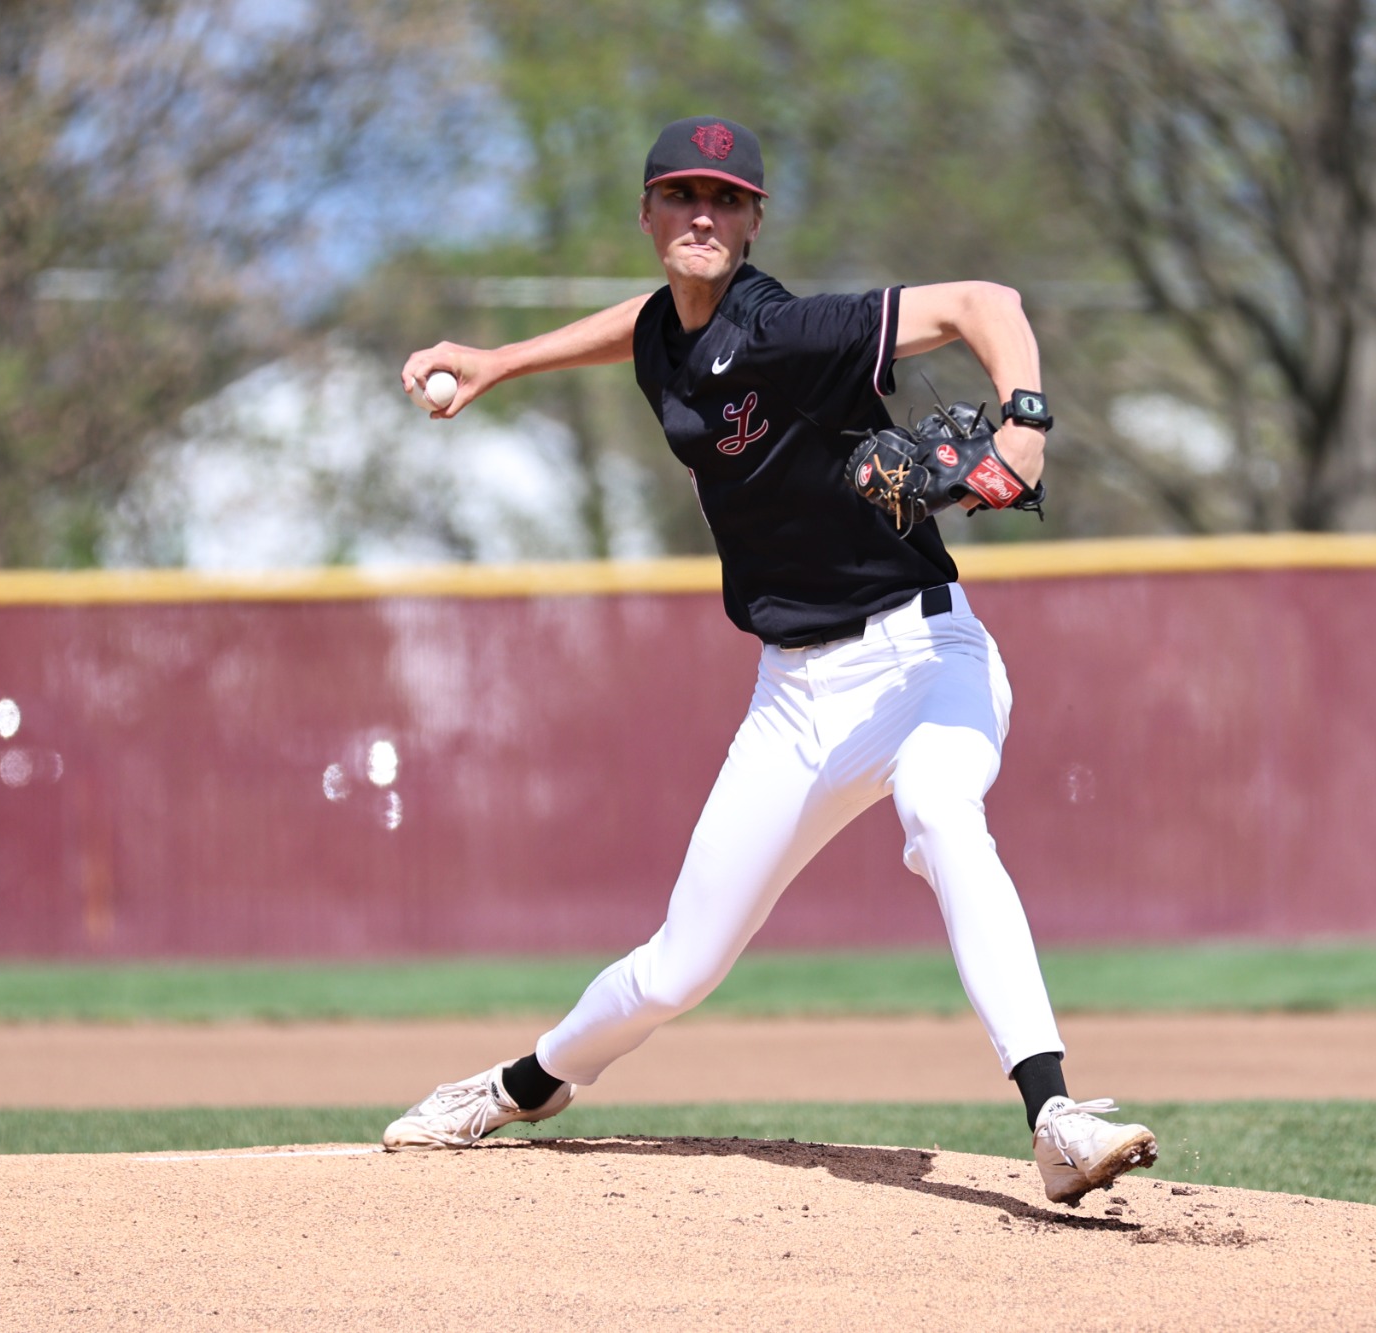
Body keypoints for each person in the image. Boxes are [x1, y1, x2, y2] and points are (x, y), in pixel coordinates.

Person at [385, 116, 1156, 1206]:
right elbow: (647, 329)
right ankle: (518, 1085)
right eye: (681, 195)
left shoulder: (792, 332)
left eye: (727, 199)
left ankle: (1056, 1116)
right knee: (677, 967)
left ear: (752, 222)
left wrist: (1024, 421)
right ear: (648, 212)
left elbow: (988, 303)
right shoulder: (667, 326)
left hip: (919, 654)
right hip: (792, 696)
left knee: (942, 813)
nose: (703, 213)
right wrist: (501, 362)